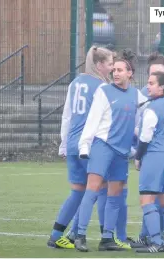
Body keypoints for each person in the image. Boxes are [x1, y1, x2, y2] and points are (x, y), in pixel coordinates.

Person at [73, 49, 148, 252]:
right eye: (114, 69)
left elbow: (146, 118)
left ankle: (107, 238)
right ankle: (79, 235)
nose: (115, 73)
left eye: (120, 70)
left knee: (115, 194)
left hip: (121, 153)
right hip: (102, 147)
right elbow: (93, 120)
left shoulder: (137, 95)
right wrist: (84, 145)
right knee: (92, 191)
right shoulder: (103, 91)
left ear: (130, 73)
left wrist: (136, 146)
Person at [47, 46, 114, 249]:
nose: (112, 68)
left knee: (78, 192)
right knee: (99, 190)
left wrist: (64, 144)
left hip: (74, 144)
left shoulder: (75, 83)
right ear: (99, 65)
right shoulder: (102, 87)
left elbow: (67, 115)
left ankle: (57, 235)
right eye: (110, 64)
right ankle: (99, 237)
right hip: (91, 144)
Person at [133, 71, 164, 253]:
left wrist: (138, 157)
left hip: (156, 156)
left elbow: (145, 137)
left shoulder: (152, 108)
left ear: (162, 87)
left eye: (152, 83)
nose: (148, 86)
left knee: (147, 199)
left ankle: (156, 242)